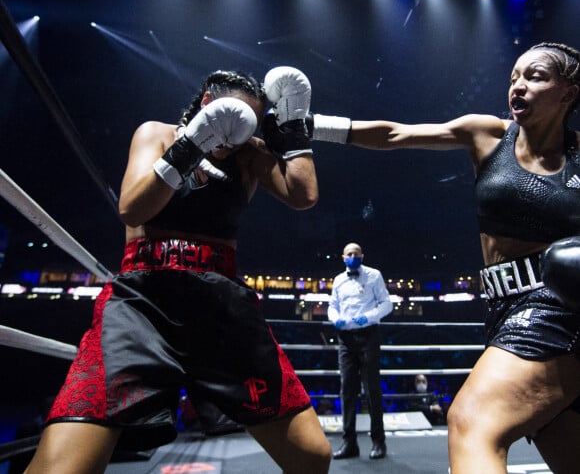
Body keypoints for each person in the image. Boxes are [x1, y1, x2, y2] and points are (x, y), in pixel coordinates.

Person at [24, 67, 332, 474]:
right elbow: (132, 209)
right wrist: (188, 149)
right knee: (63, 470)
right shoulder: (157, 134)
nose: (238, 131)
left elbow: (303, 194)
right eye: (233, 116)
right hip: (143, 301)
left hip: (221, 308)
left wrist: (293, 131)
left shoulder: (248, 154)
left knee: (312, 456)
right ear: (208, 104)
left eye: (249, 123)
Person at [306, 42, 580, 473]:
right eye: (514, 78)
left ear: (569, 92)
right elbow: (396, 134)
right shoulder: (488, 134)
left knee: (470, 422)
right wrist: (313, 126)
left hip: (557, 310)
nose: (519, 86)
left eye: (536, 76)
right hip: (502, 311)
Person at [327, 242, 393, 460]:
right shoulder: (338, 280)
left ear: (362, 256)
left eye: (356, 254)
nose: (353, 256)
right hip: (345, 339)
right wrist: (335, 319)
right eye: (349, 254)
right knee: (347, 390)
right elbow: (332, 305)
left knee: (372, 390)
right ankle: (349, 443)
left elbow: (387, 304)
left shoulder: (374, 275)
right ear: (343, 257)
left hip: (368, 336)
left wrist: (370, 316)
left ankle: (378, 442)